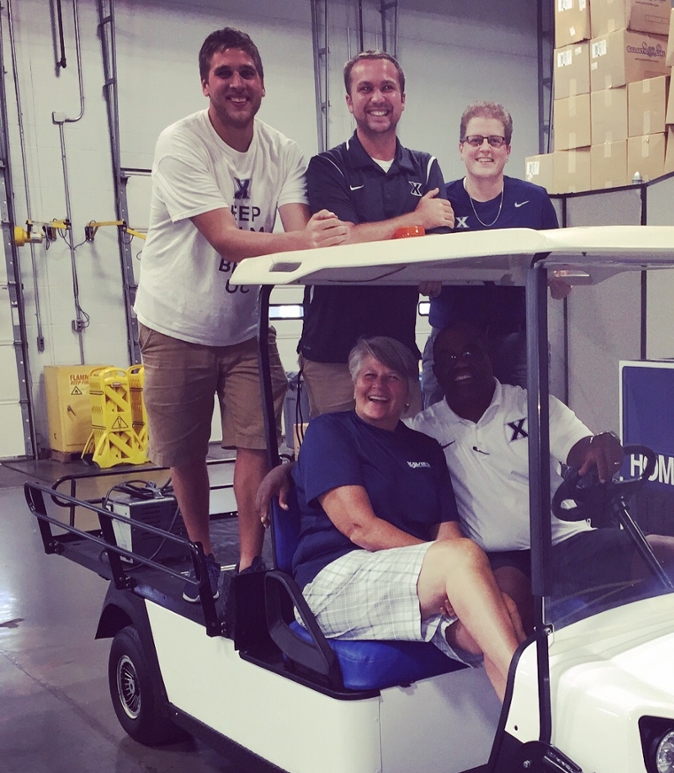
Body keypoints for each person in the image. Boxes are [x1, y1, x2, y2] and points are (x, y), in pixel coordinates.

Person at [134, 27, 350, 599]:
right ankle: (204, 555)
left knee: (256, 442)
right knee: (185, 453)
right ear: (205, 82)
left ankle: (249, 568)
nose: (237, 83)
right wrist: (308, 241)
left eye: (247, 73)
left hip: (245, 328)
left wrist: (316, 238)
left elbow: (300, 229)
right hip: (175, 322)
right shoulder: (180, 144)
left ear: (262, 84)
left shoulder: (281, 150)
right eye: (224, 73)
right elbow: (228, 239)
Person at [411, 322, 674, 626]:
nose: (461, 362)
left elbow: (581, 448)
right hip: (497, 557)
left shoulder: (531, 405)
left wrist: (600, 446)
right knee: (508, 601)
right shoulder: (423, 429)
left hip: (565, 543)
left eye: (470, 352)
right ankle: (539, 671)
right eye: (449, 358)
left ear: (489, 357)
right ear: (436, 371)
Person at [292, 337, 524, 699]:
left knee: (503, 611)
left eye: (392, 378)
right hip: (334, 580)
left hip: (408, 583)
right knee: (465, 563)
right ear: (355, 383)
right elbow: (359, 527)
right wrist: (446, 572)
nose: (378, 387)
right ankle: (535, 693)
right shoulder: (330, 432)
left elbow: (448, 533)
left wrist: (449, 573)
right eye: (369, 375)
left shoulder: (425, 448)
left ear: (408, 393)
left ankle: (523, 743)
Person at [298, 51, 455, 416]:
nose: (378, 98)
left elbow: (437, 250)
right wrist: (416, 219)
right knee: (338, 462)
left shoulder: (425, 166)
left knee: (401, 461)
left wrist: (424, 256)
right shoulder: (328, 167)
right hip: (333, 354)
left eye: (388, 87)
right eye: (365, 88)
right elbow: (343, 240)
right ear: (350, 101)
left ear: (402, 98)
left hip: (398, 350)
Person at [421, 101, 568, 406]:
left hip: (517, 340)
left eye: (495, 140)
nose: (485, 148)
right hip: (451, 341)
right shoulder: (438, 201)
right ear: (461, 148)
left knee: (529, 424)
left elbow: (556, 273)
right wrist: (426, 278)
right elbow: (422, 266)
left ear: (508, 149)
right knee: (439, 427)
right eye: (476, 140)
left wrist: (559, 279)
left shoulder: (534, 200)